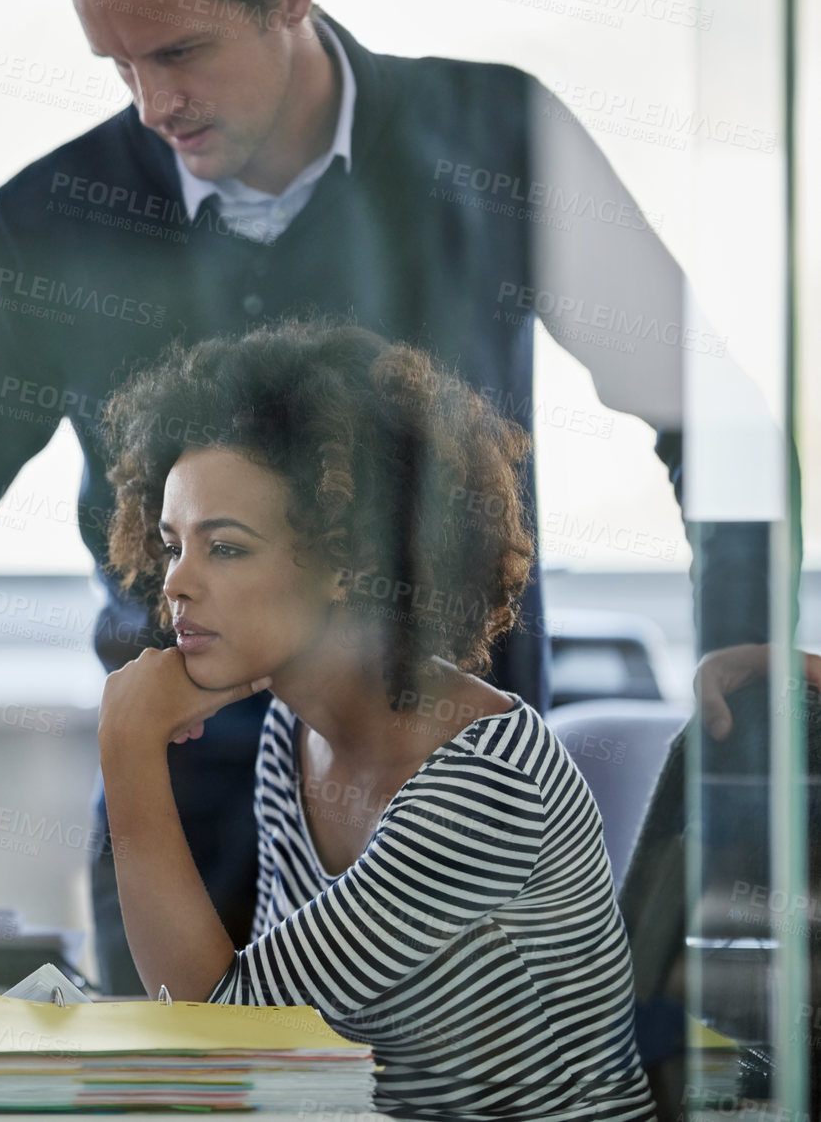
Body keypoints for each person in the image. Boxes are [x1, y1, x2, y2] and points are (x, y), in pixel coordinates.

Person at [0, 0, 771, 1044]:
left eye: (180, 51)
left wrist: (743, 642)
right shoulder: (50, 224)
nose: (153, 105)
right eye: (118, 67)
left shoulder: (492, 140)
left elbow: (708, 413)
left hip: (435, 803)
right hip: (178, 814)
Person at [97, 319, 657, 1120]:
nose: (174, 584)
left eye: (223, 548)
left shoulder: (484, 783)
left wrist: (127, 749)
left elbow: (229, 1036)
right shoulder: (291, 739)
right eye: (171, 543)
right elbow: (273, 1052)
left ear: (348, 558)